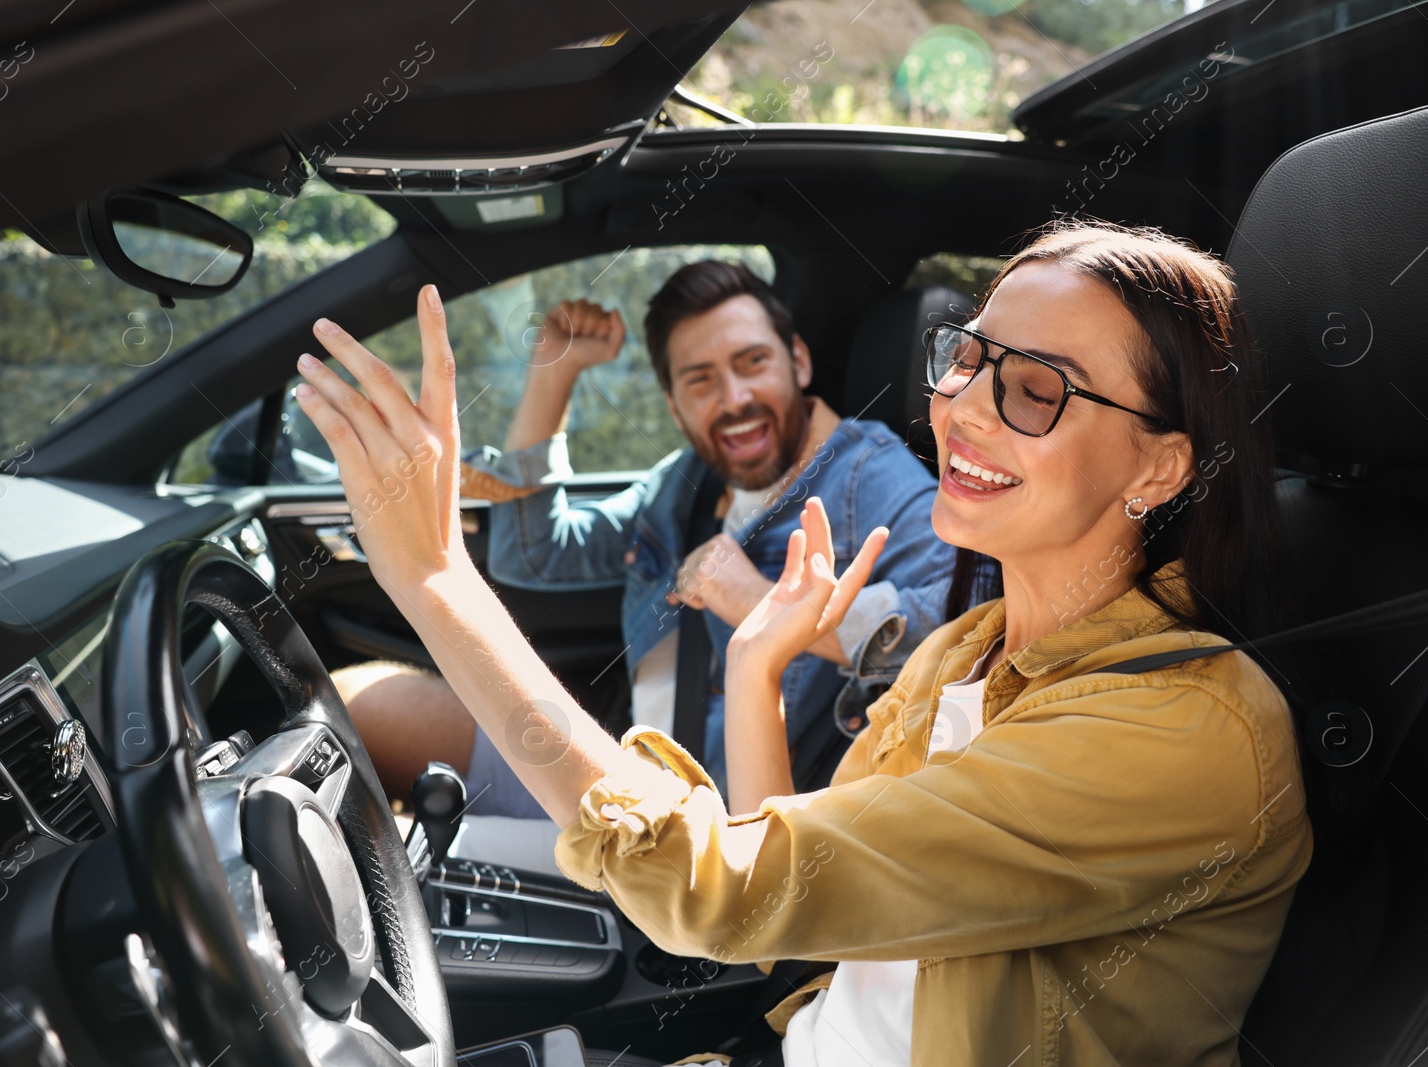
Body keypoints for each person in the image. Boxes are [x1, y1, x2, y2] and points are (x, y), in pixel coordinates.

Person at [292, 220, 1312, 1066]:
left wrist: (433, 579)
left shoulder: (1184, 728)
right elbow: (790, 913)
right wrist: (755, 661)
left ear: (1161, 466)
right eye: (967, 357)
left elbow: (725, 889)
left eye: (1036, 387)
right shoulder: (966, 650)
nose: (958, 406)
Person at [335, 261, 954, 810]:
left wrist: (760, 604)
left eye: (753, 363)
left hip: (714, 828)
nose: (735, 399)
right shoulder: (685, 482)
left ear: (797, 360)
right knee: (354, 703)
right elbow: (538, 557)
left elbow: (959, 627)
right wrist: (556, 374)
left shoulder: (869, 475)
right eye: (701, 380)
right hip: (618, 771)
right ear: (673, 402)